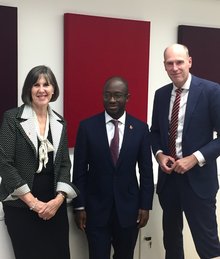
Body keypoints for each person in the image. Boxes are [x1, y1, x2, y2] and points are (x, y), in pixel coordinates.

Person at [0, 65, 79, 259]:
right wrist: (33, 203)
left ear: (53, 90)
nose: (41, 89)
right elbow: (5, 163)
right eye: (36, 84)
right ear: (29, 89)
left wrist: (58, 200)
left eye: (46, 84)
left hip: (53, 205)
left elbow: (63, 165)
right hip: (21, 204)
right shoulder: (12, 118)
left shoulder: (60, 122)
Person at [150, 43, 220, 259]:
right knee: (171, 241)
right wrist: (160, 154)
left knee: (207, 244)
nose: (175, 67)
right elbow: (155, 132)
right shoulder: (161, 95)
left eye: (179, 62)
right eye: (170, 63)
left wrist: (195, 158)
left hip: (199, 181)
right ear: (164, 66)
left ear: (189, 62)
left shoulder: (211, 91)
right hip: (169, 181)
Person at [72, 76, 154, 259]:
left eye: (117, 95)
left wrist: (145, 205)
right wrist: (79, 206)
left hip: (129, 211)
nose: (111, 100)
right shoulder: (87, 127)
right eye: (107, 95)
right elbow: (78, 171)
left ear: (128, 98)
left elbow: (146, 172)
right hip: (95, 211)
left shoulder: (140, 129)